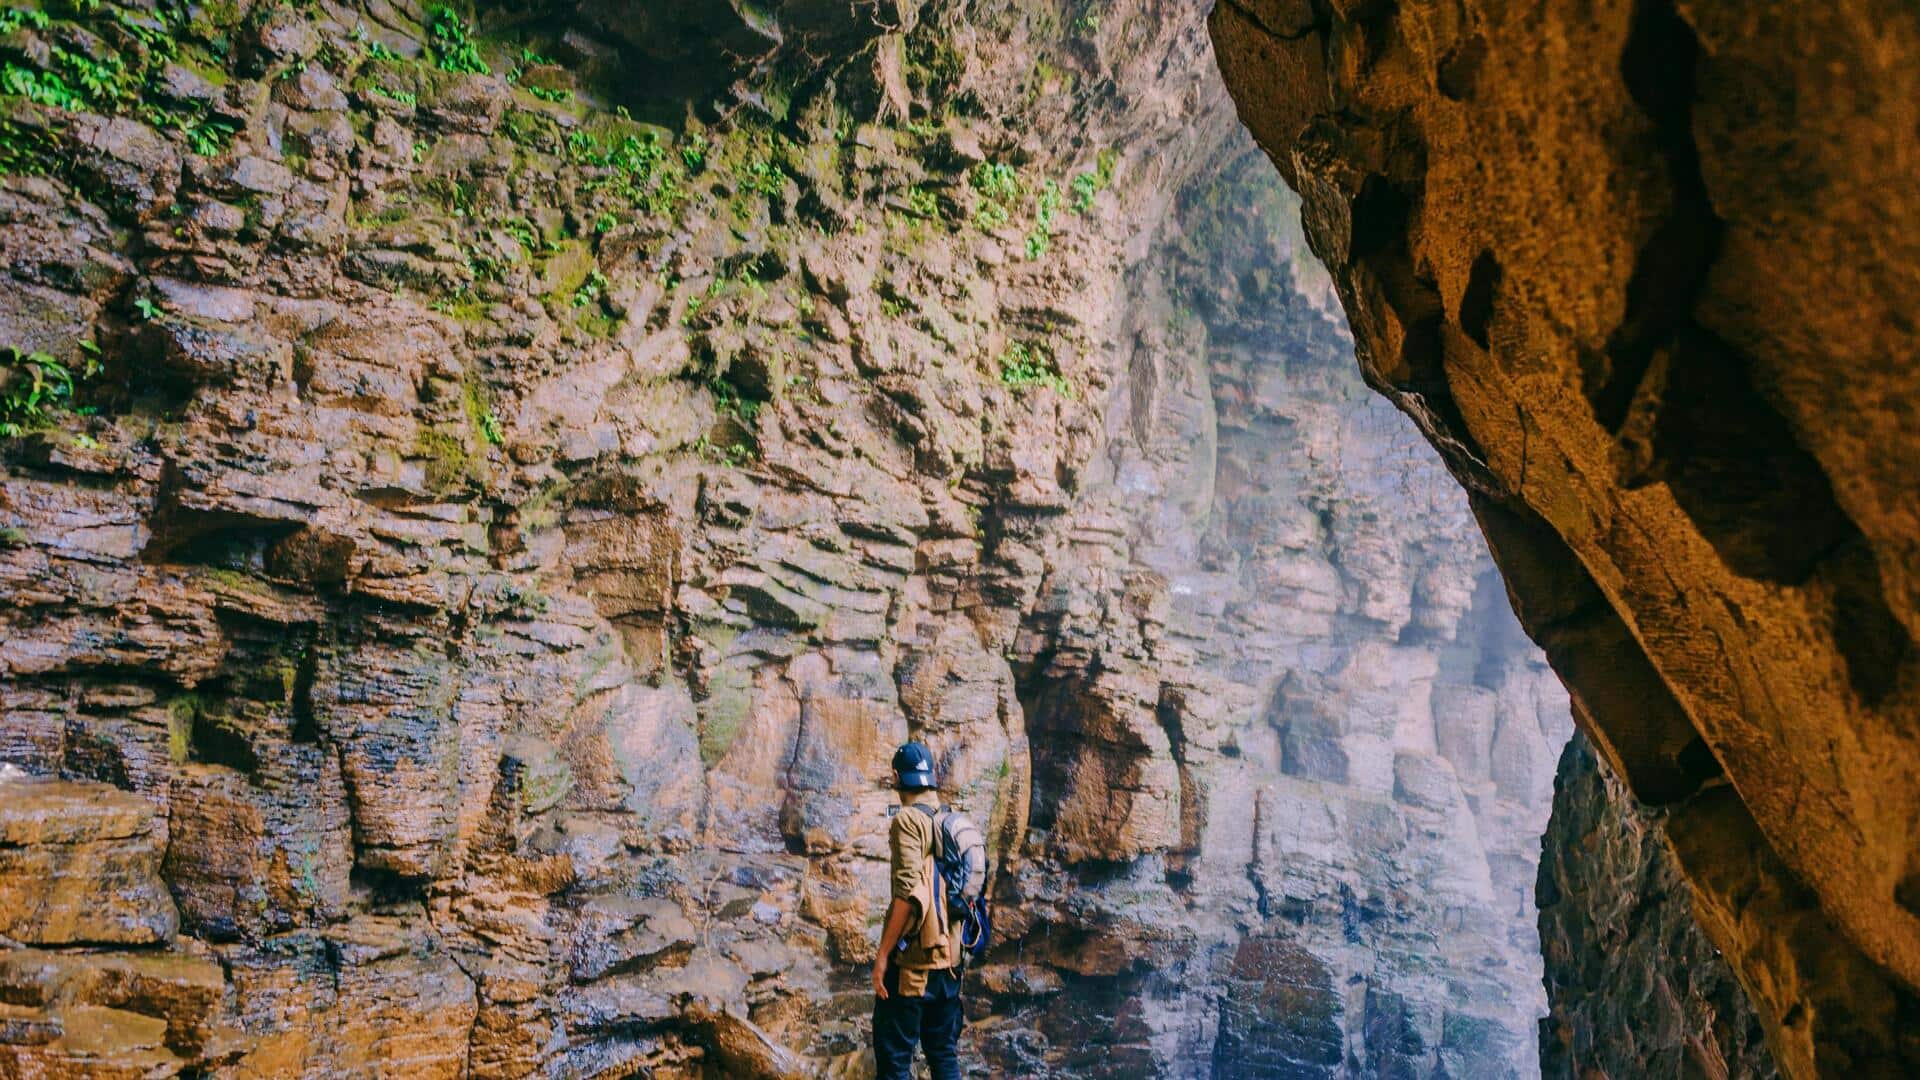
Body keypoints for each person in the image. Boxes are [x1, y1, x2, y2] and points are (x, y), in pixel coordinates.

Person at [871, 741, 963, 1080]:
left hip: (914, 967)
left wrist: (883, 956)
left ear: (897, 777)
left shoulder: (907, 820)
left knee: (895, 1059)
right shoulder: (950, 816)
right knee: (943, 1053)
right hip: (951, 962)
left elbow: (909, 895)